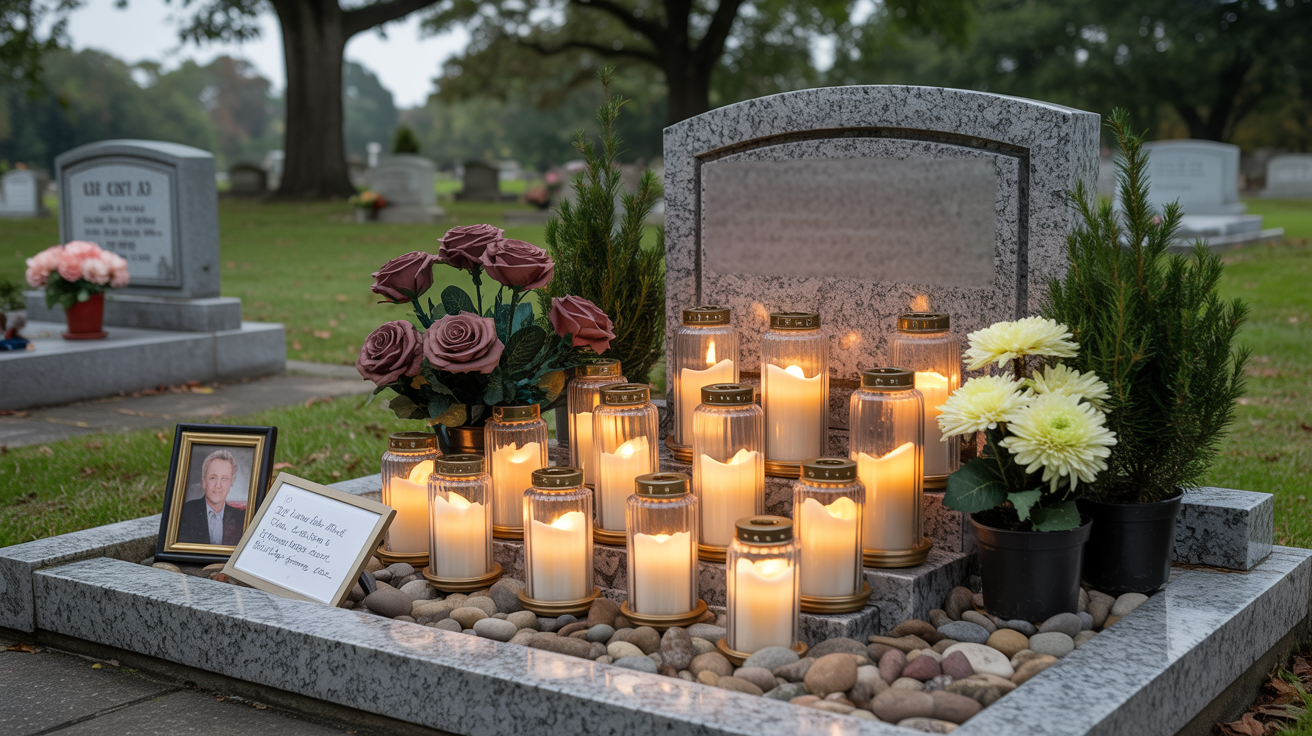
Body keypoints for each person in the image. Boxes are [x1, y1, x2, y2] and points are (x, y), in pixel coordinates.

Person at [177, 449, 245, 546]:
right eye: (213, 478)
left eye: (224, 479)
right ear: (203, 482)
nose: (218, 485)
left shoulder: (241, 518)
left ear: (231, 484)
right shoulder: (185, 512)